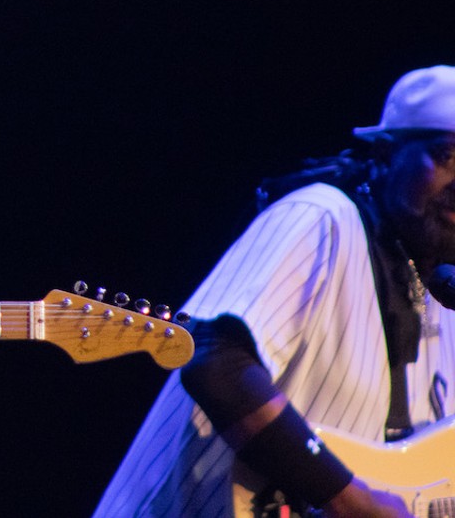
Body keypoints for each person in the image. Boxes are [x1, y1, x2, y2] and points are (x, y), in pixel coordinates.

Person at [94, 65, 455, 517]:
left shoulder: (437, 289)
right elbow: (213, 360)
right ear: (384, 155)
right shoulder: (320, 218)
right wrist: (348, 499)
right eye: (447, 156)